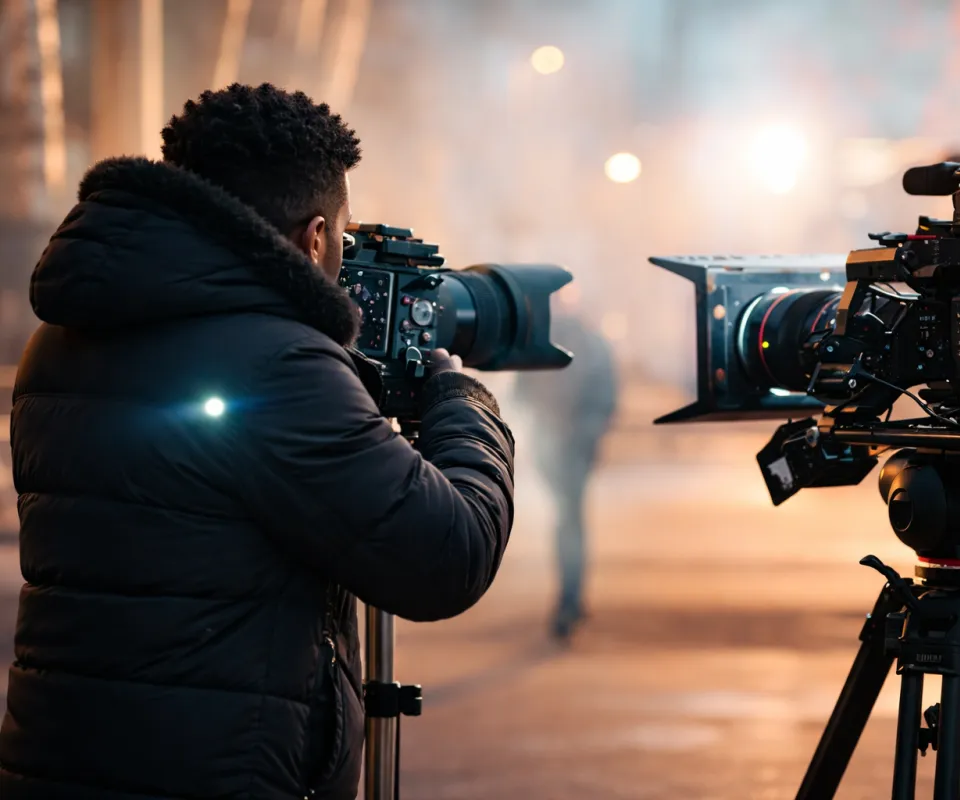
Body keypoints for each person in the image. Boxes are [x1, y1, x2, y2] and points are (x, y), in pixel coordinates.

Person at [0, 84, 515, 800]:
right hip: (216, 774)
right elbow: (445, 555)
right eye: (344, 234)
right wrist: (462, 401)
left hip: (58, 759)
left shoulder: (61, 337)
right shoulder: (279, 365)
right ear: (313, 238)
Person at [513, 305, 617, 640]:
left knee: (567, 520)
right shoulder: (594, 344)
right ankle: (571, 596)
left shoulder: (543, 343)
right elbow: (606, 398)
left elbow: (521, 393)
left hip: (562, 444)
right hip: (568, 444)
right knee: (569, 519)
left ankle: (569, 597)